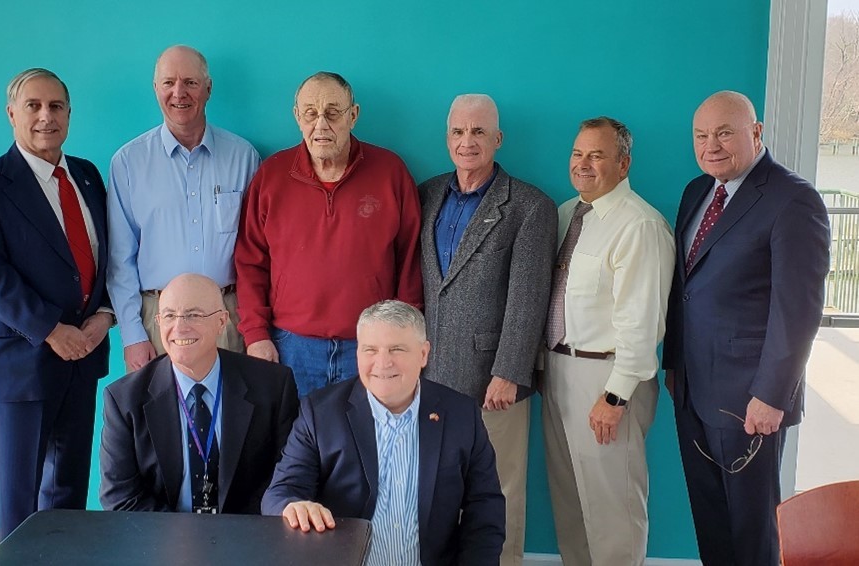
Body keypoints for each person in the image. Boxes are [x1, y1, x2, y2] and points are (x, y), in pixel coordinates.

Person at [663, 91, 830, 566]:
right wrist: (674, 365)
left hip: (750, 400)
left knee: (752, 532)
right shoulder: (697, 191)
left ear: (756, 133)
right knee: (711, 521)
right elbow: (685, 290)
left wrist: (772, 396)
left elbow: (798, 311)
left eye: (723, 133)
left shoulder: (793, 199)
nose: (710, 145)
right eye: (701, 135)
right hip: (692, 389)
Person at [0, 68, 113, 542]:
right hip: (22, 362)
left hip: (83, 356)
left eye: (56, 106)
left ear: (69, 113)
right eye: (34, 106)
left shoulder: (87, 175)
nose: (47, 116)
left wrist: (104, 316)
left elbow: (107, 253)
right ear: (12, 114)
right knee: (20, 497)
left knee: (69, 490)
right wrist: (50, 329)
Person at [417, 93, 557, 565]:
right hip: (431, 373)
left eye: (478, 131)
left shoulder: (529, 206)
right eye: (458, 131)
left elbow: (529, 298)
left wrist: (510, 372)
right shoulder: (427, 194)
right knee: (437, 487)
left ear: (498, 138)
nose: (467, 141)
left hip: (492, 380)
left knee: (498, 490)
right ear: (447, 138)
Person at [262, 300, 504, 566]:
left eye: (396, 349)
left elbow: (485, 506)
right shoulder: (320, 413)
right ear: (358, 354)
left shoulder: (461, 415)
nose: (383, 363)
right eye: (370, 350)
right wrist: (293, 506)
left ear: (423, 354)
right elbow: (281, 493)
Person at [234, 71, 423, 398]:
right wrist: (256, 335)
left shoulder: (390, 173)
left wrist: (400, 340)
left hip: (370, 346)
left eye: (333, 113)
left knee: (365, 432)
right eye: (310, 113)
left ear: (353, 115)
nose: (321, 124)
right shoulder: (271, 176)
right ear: (297, 117)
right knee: (294, 432)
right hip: (290, 346)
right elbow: (251, 263)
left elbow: (411, 262)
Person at [539, 117, 675, 566]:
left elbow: (642, 322)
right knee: (570, 502)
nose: (583, 164)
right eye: (578, 154)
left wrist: (615, 397)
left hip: (607, 379)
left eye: (597, 155)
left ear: (623, 164)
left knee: (613, 509)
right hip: (558, 371)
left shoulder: (639, 225)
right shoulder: (566, 215)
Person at [108, 45, 261, 372]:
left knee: (234, 405)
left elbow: (258, 251)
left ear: (208, 88)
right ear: (155, 88)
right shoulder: (129, 162)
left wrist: (255, 330)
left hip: (227, 319)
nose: (179, 93)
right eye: (169, 83)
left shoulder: (243, 157)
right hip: (159, 323)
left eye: (190, 82)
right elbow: (120, 259)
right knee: (160, 407)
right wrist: (133, 336)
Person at [100, 273, 298, 514]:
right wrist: (181, 533)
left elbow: (286, 479)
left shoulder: (272, 386)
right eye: (169, 316)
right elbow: (120, 497)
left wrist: (236, 530)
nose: (180, 327)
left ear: (222, 322)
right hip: (160, 532)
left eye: (193, 315)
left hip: (248, 530)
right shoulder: (124, 399)